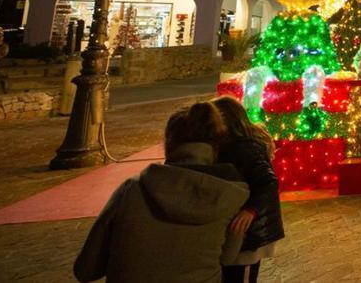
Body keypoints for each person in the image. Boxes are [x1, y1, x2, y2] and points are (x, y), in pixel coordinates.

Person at [74, 102, 249, 282]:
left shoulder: (131, 190)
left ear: (169, 143)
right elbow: (227, 258)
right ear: (217, 146)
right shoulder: (230, 196)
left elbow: (86, 269)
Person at [213, 97, 283, 283]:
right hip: (242, 233)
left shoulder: (244, 148)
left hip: (249, 233)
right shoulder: (236, 145)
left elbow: (268, 181)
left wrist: (250, 211)